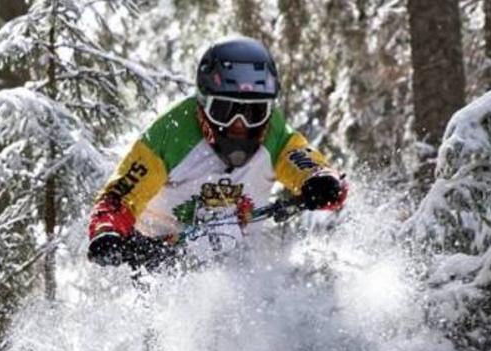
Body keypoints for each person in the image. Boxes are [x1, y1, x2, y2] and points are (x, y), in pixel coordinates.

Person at [87, 36, 347, 268]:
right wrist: (107, 232)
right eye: (225, 110)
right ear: (202, 103)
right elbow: (119, 196)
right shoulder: (171, 134)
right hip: (158, 258)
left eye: (254, 113)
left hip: (240, 267)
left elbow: (305, 163)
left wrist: (322, 183)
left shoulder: (274, 134)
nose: (239, 125)